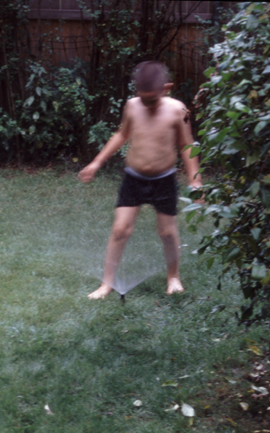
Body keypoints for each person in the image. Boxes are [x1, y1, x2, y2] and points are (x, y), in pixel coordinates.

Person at [78, 61, 202, 299]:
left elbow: (187, 146)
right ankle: (106, 284)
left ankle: (173, 277)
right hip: (133, 178)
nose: (147, 104)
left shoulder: (178, 110)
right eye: (143, 98)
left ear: (166, 88)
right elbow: (122, 134)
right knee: (120, 230)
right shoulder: (132, 106)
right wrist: (96, 162)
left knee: (167, 232)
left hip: (164, 180)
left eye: (152, 100)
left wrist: (195, 179)